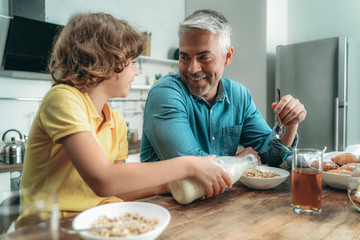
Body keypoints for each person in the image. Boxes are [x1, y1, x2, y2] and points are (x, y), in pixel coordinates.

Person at [17, 12, 231, 227]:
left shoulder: (116, 122)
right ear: (104, 61)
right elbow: (103, 180)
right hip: (48, 229)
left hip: (96, 225)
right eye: (132, 62)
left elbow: (117, 190)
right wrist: (188, 166)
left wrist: (168, 185)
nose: (136, 72)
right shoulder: (63, 98)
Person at [140, 9, 307, 166]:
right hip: (159, 198)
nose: (192, 69)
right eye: (185, 57)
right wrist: (239, 161)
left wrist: (290, 124)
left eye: (203, 57)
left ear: (227, 56)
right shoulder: (165, 93)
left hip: (225, 197)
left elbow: (269, 155)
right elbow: (188, 167)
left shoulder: (238, 95)